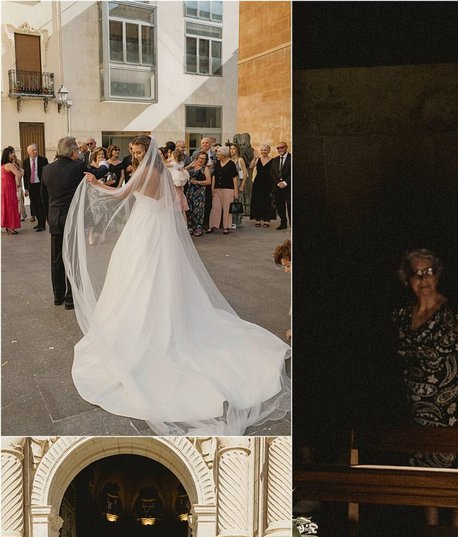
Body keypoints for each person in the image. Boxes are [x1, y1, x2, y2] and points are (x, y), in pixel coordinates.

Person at [65, 135, 292, 435]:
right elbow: (168, 204)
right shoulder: (162, 172)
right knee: (154, 278)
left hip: (143, 231)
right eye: (134, 152)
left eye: (138, 152)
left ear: (148, 153)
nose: (136, 156)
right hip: (155, 231)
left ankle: (144, 327)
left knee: (139, 278)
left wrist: (95, 184)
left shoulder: (145, 173)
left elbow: (120, 195)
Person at [392, 249, 458, 479]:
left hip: (452, 411)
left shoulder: (454, 313)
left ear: (438, 276)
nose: (423, 278)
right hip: (414, 413)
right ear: (407, 279)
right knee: (419, 472)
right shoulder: (400, 316)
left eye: (429, 272)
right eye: (416, 273)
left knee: (453, 471)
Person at [40, 136, 89, 308]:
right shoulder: (78, 167)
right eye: (77, 150)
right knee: (73, 257)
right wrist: (105, 167)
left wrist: (48, 217)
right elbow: (96, 174)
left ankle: (57, 295)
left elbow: (43, 197)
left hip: (55, 218)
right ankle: (70, 298)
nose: (78, 153)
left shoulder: (46, 169)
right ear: (72, 151)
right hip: (72, 219)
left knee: (57, 259)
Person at [209, 146, 240, 235]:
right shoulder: (217, 163)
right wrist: (212, 188)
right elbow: (214, 176)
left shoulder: (231, 164)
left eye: (219, 154)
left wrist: (236, 191)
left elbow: (234, 178)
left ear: (224, 155)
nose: (217, 155)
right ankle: (213, 225)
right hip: (217, 188)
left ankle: (226, 226)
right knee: (215, 207)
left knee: (227, 208)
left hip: (228, 189)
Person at [182, 152, 211, 237]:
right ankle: (191, 226)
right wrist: (190, 165)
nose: (201, 160)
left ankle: (198, 228)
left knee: (198, 210)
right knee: (190, 209)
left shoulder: (205, 169)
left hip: (200, 192)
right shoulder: (193, 167)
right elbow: (182, 170)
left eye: (203, 159)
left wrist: (198, 182)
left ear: (206, 160)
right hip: (190, 191)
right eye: (200, 158)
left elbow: (209, 181)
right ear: (197, 158)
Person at [248, 142, 276, 228]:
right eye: (262, 150)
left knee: (267, 200)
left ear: (268, 151)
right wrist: (255, 158)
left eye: (265, 150)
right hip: (258, 182)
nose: (263, 152)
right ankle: (258, 219)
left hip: (268, 182)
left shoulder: (272, 160)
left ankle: (267, 220)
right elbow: (251, 167)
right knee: (257, 200)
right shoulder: (258, 159)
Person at [24, 143, 47, 231]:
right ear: (28, 152)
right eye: (33, 150)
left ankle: (42, 224)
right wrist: (26, 188)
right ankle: (39, 222)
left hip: (40, 185)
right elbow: (25, 176)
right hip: (31, 186)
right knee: (34, 206)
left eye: (36, 149)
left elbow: (47, 173)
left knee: (41, 205)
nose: (35, 151)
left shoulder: (43, 160)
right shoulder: (26, 161)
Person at [268, 141, 290, 229]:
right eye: (278, 148)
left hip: (288, 187)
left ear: (286, 147)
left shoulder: (291, 158)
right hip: (277, 187)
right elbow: (272, 173)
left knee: (290, 206)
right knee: (280, 206)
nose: (280, 149)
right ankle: (283, 223)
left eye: (282, 147)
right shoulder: (275, 160)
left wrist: (285, 183)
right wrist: (278, 183)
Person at [1, 146, 20, 234]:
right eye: (12, 152)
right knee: (11, 206)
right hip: (9, 188)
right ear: (8, 154)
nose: (14, 154)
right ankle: (11, 227)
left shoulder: (3, 165)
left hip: (4, 187)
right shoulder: (9, 165)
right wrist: (22, 171)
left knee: (6, 206)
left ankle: (8, 225)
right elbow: (18, 174)